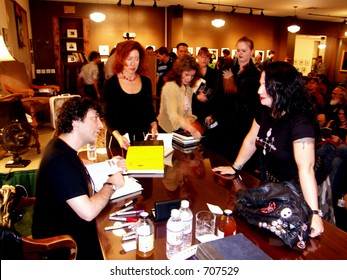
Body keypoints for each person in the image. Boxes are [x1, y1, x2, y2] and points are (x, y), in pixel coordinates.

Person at [212, 61, 324, 238]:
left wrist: (315, 214)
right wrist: (235, 167)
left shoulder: (300, 123)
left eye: (265, 85)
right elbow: (251, 139)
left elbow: (306, 169)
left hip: (295, 194)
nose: (259, 91)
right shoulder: (266, 110)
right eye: (260, 84)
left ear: (282, 88)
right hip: (270, 185)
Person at [32, 97, 126, 259]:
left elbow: (77, 165)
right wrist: (112, 183)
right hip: (63, 245)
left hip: (70, 227)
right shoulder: (59, 161)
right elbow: (88, 212)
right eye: (94, 118)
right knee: (117, 250)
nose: (100, 125)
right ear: (76, 121)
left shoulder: (61, 146)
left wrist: (109, 164)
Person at [209, 36, 261, 168]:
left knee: (239, 164)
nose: (240, 54)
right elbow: (218, 95)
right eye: (238, 50)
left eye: (244, 50)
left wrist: (232, 83)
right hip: (224, 123)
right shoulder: (227, 69)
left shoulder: (256, 75)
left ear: (252, 51)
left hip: (243, 125)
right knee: (220, 161)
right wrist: (213, 114)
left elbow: (250, 100)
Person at [104, 40, 158, 150]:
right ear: (121, 59)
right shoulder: (111, 84)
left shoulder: (146, 82)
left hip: (141, 138)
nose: (133, 63)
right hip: (119, 139)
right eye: (129, 59)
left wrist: (154, 124)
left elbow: (149, 110)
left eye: (136, 59)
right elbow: (108, 116)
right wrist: (118, 137)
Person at [157, 55, 201, 140]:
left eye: (192, 76)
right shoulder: (170, 87)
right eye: (187, 74)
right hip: (166, 130)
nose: (189, 79)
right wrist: (191, 129)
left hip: (179, 129)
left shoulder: (188, 88)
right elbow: (173, 115)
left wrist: (189, 125)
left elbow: (188, 113)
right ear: (179, 72)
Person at [192, 47, 218, 127]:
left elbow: (217, 92)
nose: (204, 59)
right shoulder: (192, 72)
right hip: (195, 107)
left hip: (209, 107)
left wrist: (212, 114)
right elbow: (186, 91)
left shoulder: (214, 73)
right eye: (202, 56)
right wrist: (196, 97)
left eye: (207, 57)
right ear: (197, 57)